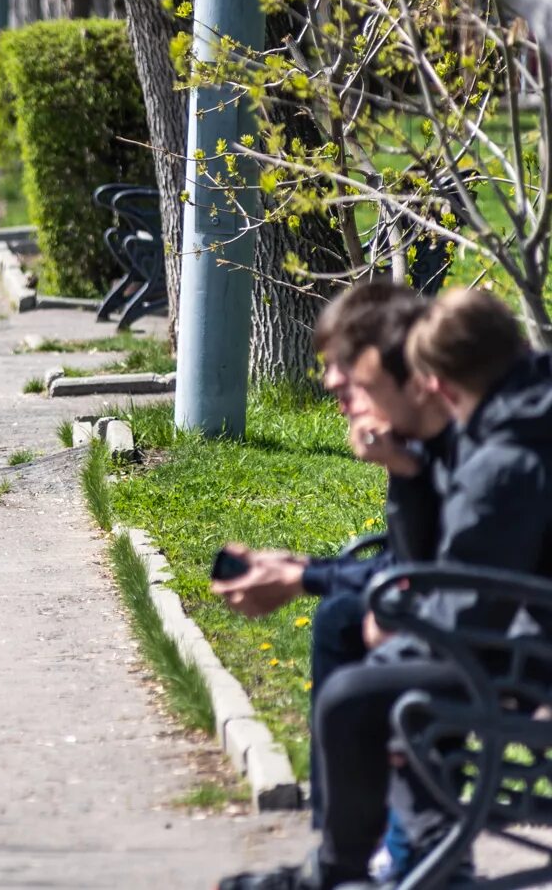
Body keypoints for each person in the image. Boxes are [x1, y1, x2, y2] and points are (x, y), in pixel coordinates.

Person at [220, 287, 552, 890]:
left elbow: (465, 595)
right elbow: (442, 571)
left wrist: (400, 622)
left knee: (358, 694)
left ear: (433, 382)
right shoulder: (501, 427)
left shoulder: (502, 453)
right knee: (351, 632)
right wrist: (404, 484)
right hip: (517, 636)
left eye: (352, 375)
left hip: (527, 652)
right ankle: (408, 857)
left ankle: (357, 867)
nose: (334, 386)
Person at [210, 282, 448, 878]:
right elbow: (413, 565)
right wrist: (304, 572)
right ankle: (365, 850)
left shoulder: (455, 442)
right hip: (470, 620)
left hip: (496, 638)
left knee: (358, 660)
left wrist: (306, 575)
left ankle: (376, 856)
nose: (331, 383)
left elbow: (433, 572)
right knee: (343, 619)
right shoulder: (416, 443)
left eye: (347, 369)